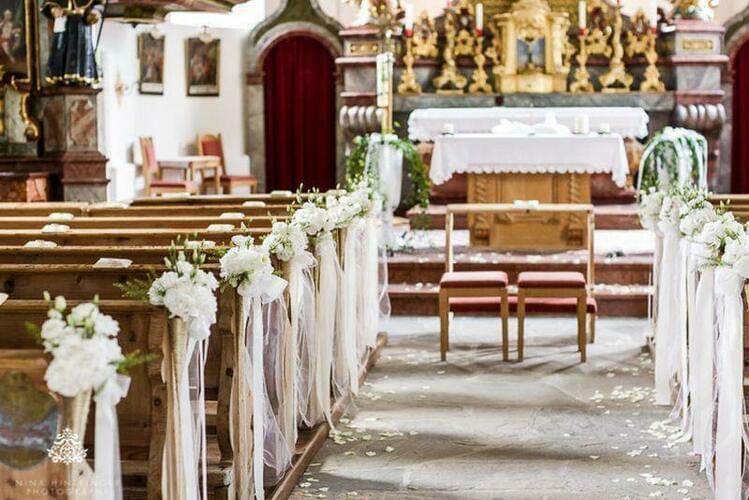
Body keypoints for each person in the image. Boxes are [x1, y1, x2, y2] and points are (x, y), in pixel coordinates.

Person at [41, 0, 104, 85]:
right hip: (63, 21)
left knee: (83, 50)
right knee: (60, 48)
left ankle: (85, 76)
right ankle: (59, 76)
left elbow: (98, 4)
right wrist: (53, 10)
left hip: (82, 23)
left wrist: (95, 12)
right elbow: (47, 4)